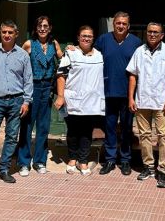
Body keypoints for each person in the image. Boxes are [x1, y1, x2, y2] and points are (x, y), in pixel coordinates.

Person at [126, 22, 165, 188]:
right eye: (150, 32)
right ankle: (148, 167)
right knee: (144, 135)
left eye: (156, 32)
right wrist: (131, 98)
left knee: (163, 136)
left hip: (161, 102)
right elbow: (133, 76)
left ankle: (163, 170)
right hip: (142, 100)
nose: (152, 34)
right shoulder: (139, 51)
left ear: (162, 35)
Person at [0, 20, 33, 187]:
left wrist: (26, 101)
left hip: (16, 101)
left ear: (16, 34)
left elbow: (28, 80)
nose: (7, 35)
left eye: (10, 32)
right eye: (4, 32)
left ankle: (4, 170)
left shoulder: (23, 55)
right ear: (0, 33)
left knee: (11, 137)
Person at [95, 12, 142, 176]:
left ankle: (126, 160)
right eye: (118, 23)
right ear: (113, 24)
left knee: (127, 128)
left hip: (128, 94)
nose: (120, 26)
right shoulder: (103, 40)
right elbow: (90, 55)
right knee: (109, 128)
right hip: (108, 91)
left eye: (124, 23)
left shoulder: (136, 42)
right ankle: (109, 160)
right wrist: (75, 48)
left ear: (128, 26)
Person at [54, 26, 105, 176]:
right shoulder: (70, 53)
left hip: (92, 102)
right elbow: (61, 75)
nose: (87, 38)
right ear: (78, 37)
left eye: (89, 36)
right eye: (84, 35)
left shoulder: (99, 56)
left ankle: (83, 160)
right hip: (72, 100)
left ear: (93, 38)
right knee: (73, 131)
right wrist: (60, 96)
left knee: (86, 132)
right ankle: (72, 158)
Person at [17, 16, 63, 177]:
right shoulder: (29, 44)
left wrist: (71, 49)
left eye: (45, 26)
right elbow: (19, 63)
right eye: (39, 26)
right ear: (36, 29)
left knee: (43, 126)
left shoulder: (54, 44)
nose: (42, 29)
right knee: (27, 125)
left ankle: (40, 161)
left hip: (47, 88)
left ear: (50, 28)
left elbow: (64, 61)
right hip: (32, 87)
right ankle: (23, 162)